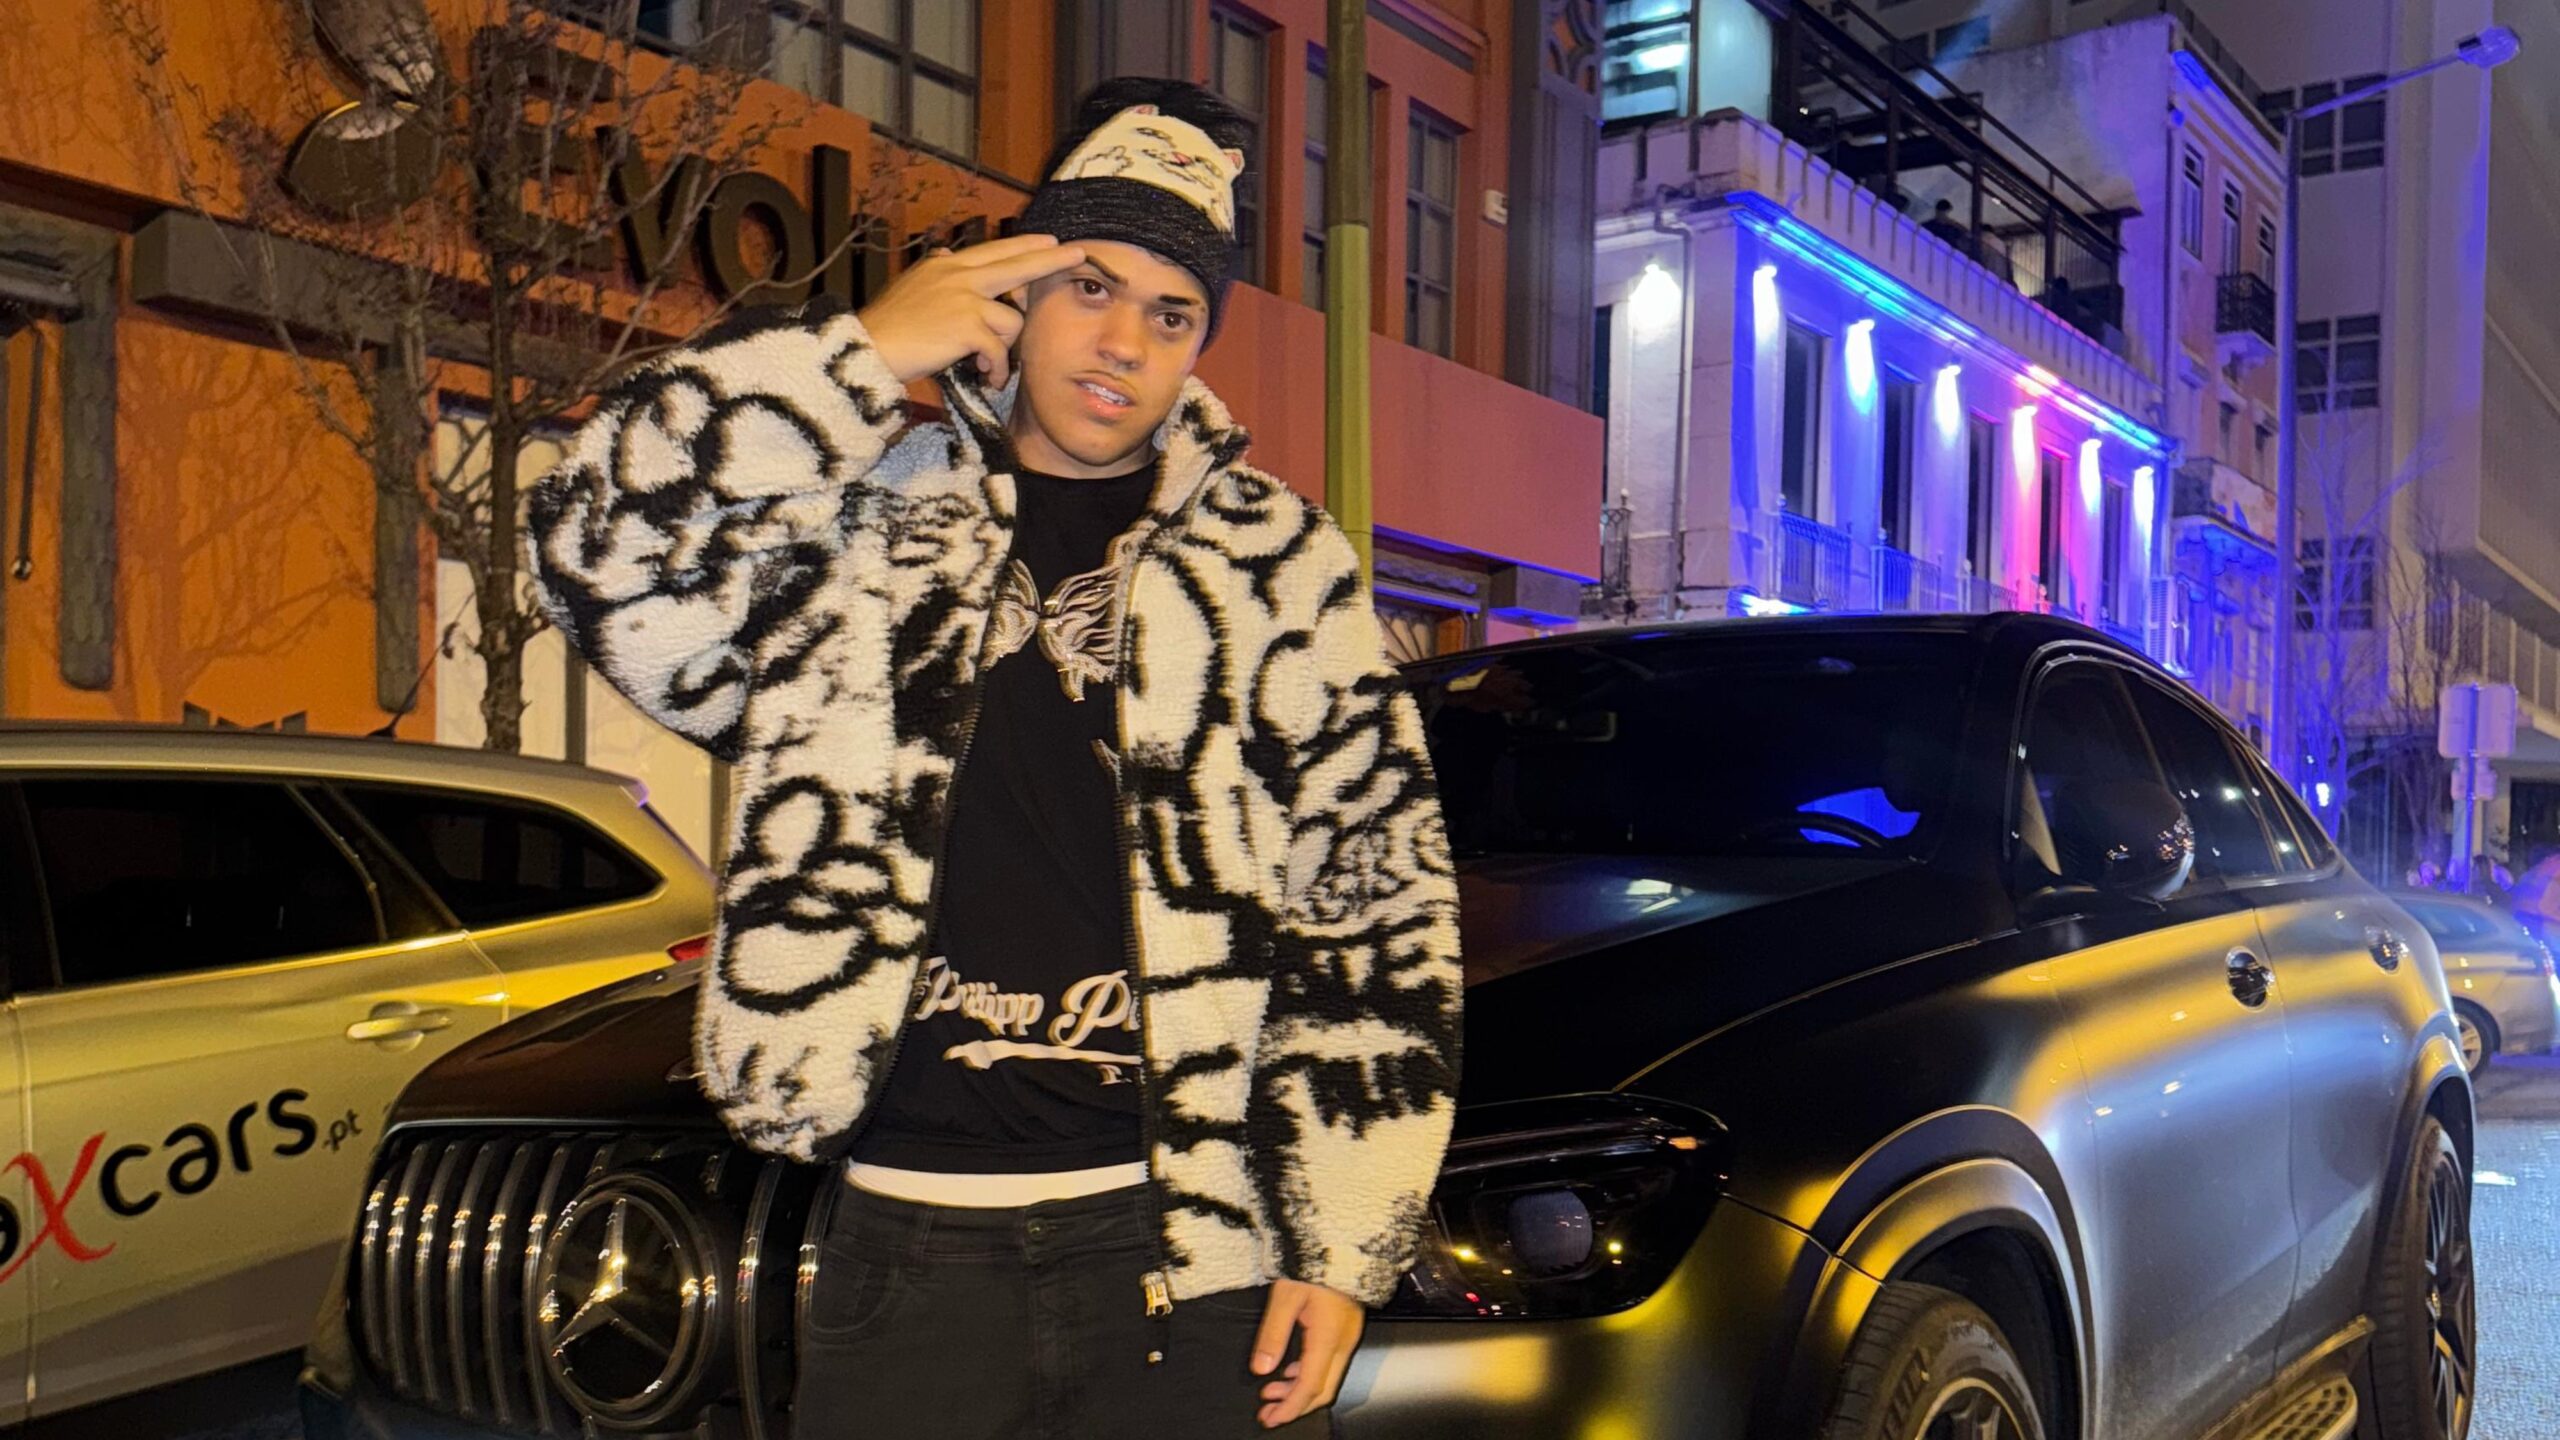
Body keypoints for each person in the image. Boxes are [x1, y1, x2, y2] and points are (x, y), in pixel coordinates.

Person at [524, 78, 1463, 1437]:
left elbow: (1373, 896)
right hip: (907, 1250)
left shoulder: (1274, 563)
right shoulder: (862, 531)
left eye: (1173, 312)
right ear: (1013, 293)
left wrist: (1344, 1238)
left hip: (1194, 1254)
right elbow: (587, 542)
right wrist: (856, 355)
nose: (1125, 340)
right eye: (1091, 285)